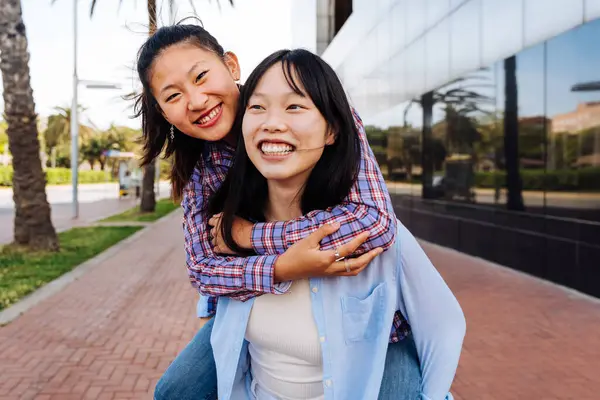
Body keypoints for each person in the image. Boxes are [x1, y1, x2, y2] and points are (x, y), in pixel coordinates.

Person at [133, 22, 421, 399]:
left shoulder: (312, 108)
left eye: (201, 76)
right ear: (164, 113)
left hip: (361, 307)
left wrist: (247, 235)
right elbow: (203, 268)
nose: (197, 100)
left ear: (231, 66)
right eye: (173, 96)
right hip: (261, 307)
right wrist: (284, 267)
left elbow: (374, 221)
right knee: (176, 391)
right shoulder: (202, 169)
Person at [208, 48, 465, 400]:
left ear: (332, 131)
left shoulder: (370, 235)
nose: (272, 122)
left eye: (295, 106)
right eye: (257, 107)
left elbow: (445, 327)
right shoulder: (228, 236)